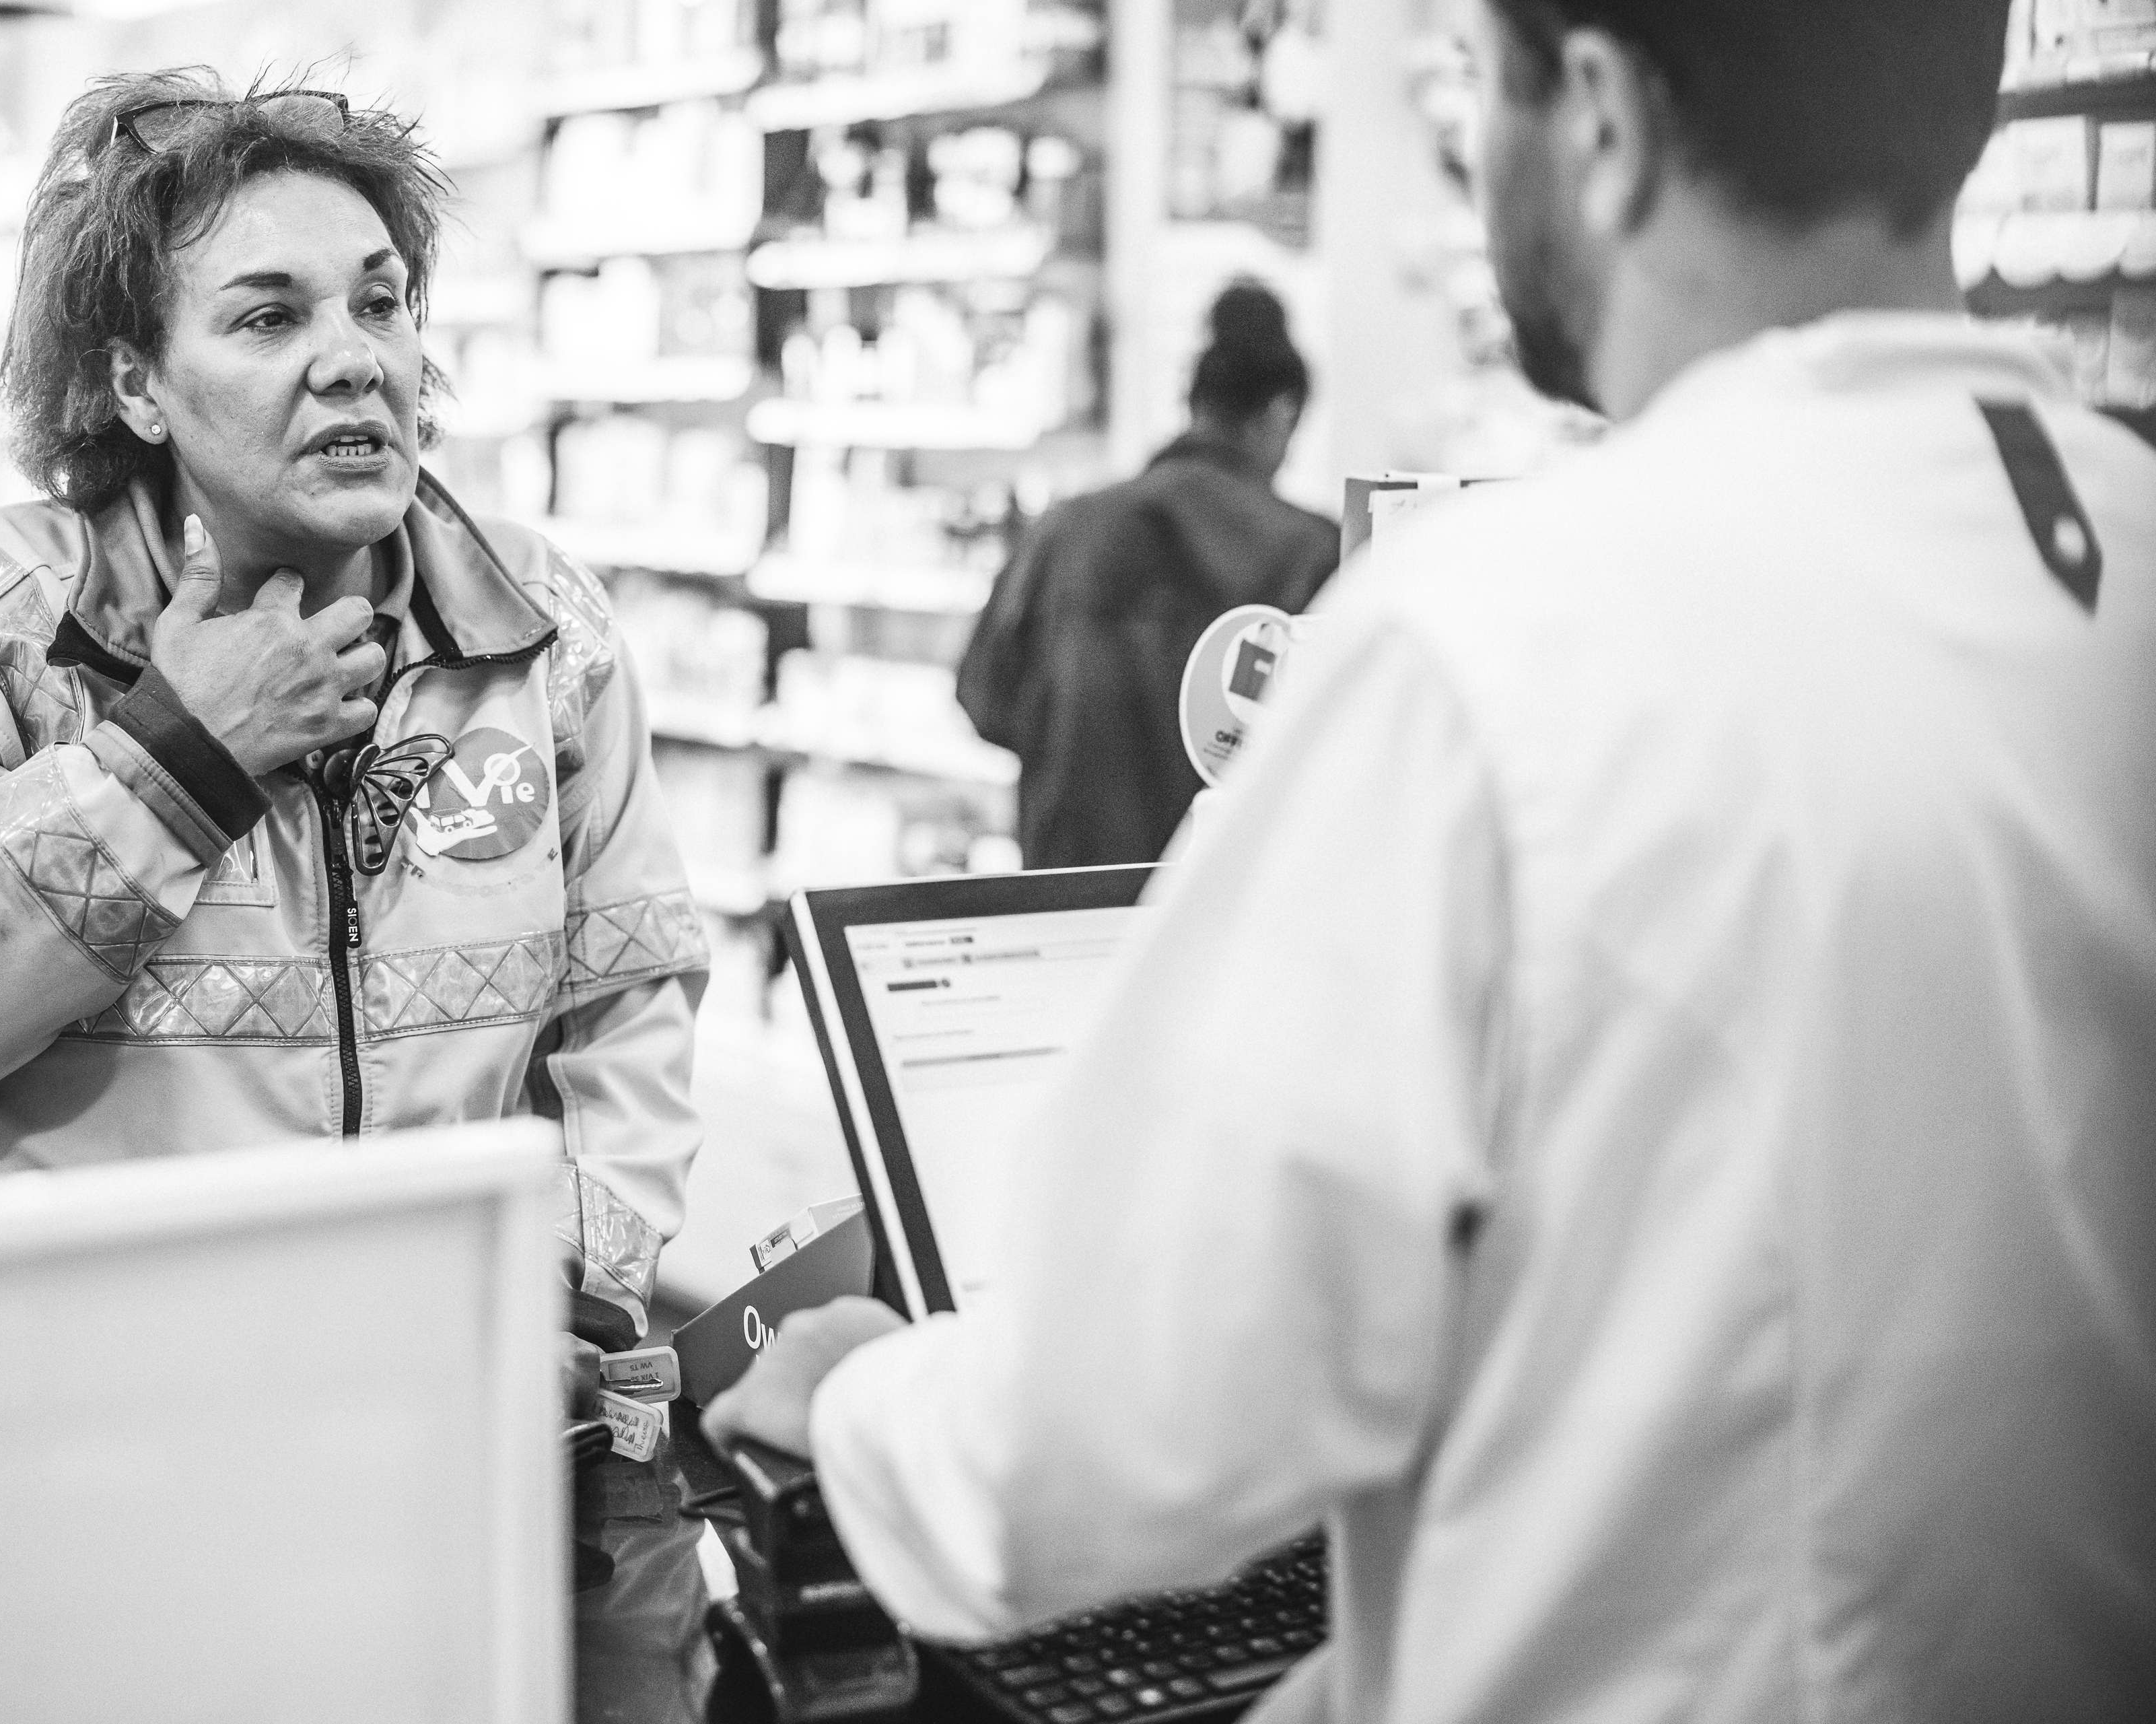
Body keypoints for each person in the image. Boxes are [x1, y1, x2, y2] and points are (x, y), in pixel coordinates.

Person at [707, 0, 2156, 1717]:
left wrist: (858, 1396)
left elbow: (1130, 1420)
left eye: (1482, 87)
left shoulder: (1501, 637)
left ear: (1598, 116)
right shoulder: (2118, 552)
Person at [0, 72, 706, 1343]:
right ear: (139, 386)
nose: (357, 360)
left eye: (382, 302)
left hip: (432, 1405)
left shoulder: (538, 630)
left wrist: (572, 1292)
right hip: (65, 1412)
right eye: (269, 319)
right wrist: (168, 762)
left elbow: (627, 1006)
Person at [957, 283, 1340, 868]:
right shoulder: (1313, 553)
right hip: (1225, 905)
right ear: (1281, 414)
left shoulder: (1066, 530)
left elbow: (985, 700)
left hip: (1067, 898)